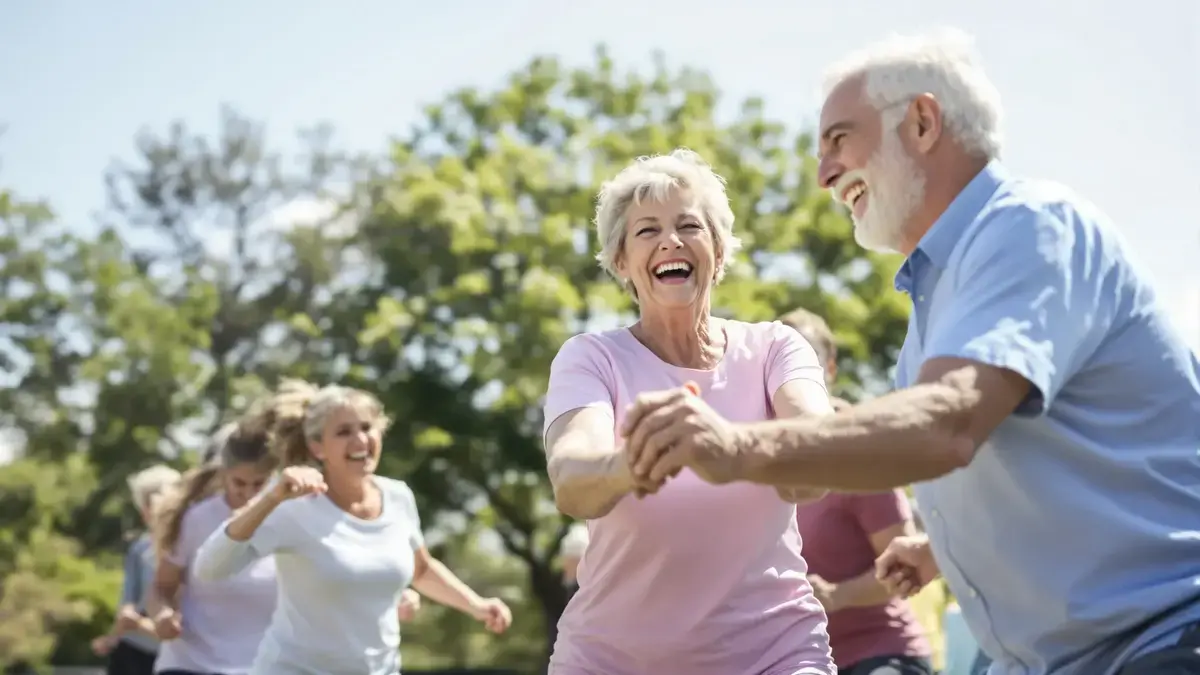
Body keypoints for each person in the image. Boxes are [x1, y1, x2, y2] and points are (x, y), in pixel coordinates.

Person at [619, 28, 1200, 675]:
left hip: (1164, 637)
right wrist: (942, 549)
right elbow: (1035, 469)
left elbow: (947, 423)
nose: (822, 174)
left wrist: (735, 447)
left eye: (839, 138)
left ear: (922, 122)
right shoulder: (937, 305)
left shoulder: (1031, 225)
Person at [543, 148, 835, 675]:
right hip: (613, 660)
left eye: (689, 226)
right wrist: (631, 464)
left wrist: (727, 447)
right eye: (647, 231)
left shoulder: (776, 348)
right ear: (621, 261)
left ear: (718, 252)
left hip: (775, 655)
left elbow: (817, 459)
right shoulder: (591, 358)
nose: (670, 241)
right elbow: (570, 478)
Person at [191, 379, 513, 675]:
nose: (360, 439)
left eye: (367, 427)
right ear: (318, 447)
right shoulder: (293, 505)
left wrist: (477, 605)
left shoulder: (398, 497)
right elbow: (209, 568)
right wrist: (270, 497)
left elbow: (422, 570)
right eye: (343, 432)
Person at [781, 308, 931, 675]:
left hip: (879, 654)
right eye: (781, 364)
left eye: (805, 362)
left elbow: (906, 568)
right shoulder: (759, 459)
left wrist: (835, 596)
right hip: (797, 660)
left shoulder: (862, 453)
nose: (791, 377)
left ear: (830, 369)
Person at [148, 420, 279, 675]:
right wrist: (162, 615)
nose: (249, 494)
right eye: (239, 483)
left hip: (260, 666)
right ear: (224, 475)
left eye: (258, 484)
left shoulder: (288, 518)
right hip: (191, 664)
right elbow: (161, 588)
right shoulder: (196, 519)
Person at [92, 465, 182, 675]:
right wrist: (112, 637)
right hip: (133, 654)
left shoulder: (188, 548)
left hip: (173, 657)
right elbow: (127, 605)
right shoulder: (140, 549)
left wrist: (140, 624)